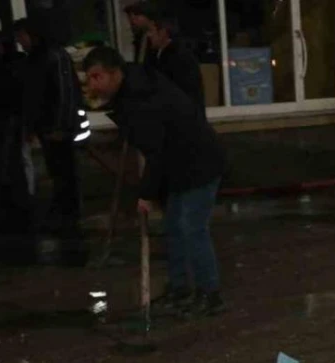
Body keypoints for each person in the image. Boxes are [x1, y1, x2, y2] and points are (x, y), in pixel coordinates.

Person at [83, 46, 227, 315]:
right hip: (178, 164)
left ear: (115, 74)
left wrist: (146, 194)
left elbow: (156, 152)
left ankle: (210, 294)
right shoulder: (133, 89)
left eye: (96, 77)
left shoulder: (142, 99)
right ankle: (180, 287)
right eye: (89, 78)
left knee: (191, 227)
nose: (92, 85)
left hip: (199, 161)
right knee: (174, 227)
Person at [15, 16, 86, 266]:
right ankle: (63, 217)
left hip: (59, 128)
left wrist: (60, 126)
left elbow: (65, 94)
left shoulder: (54, 57)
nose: (19, 41)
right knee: (58, 172)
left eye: (22, 36)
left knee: (65, 172)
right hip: (46, 127)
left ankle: (69, 218)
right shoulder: (35, 59)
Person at [0, 17, 36, 265]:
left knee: (4, 166)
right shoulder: (0, 61)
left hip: (0, 119)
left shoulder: (2, 62)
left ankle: (7, 213)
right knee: (3, 166)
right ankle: (8, 212)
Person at [145, 14, 204, 111]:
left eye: (151, 31)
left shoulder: (179, 57)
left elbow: (181, 92)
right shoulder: (157, 54)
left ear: (163, 33)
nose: (148, 35)